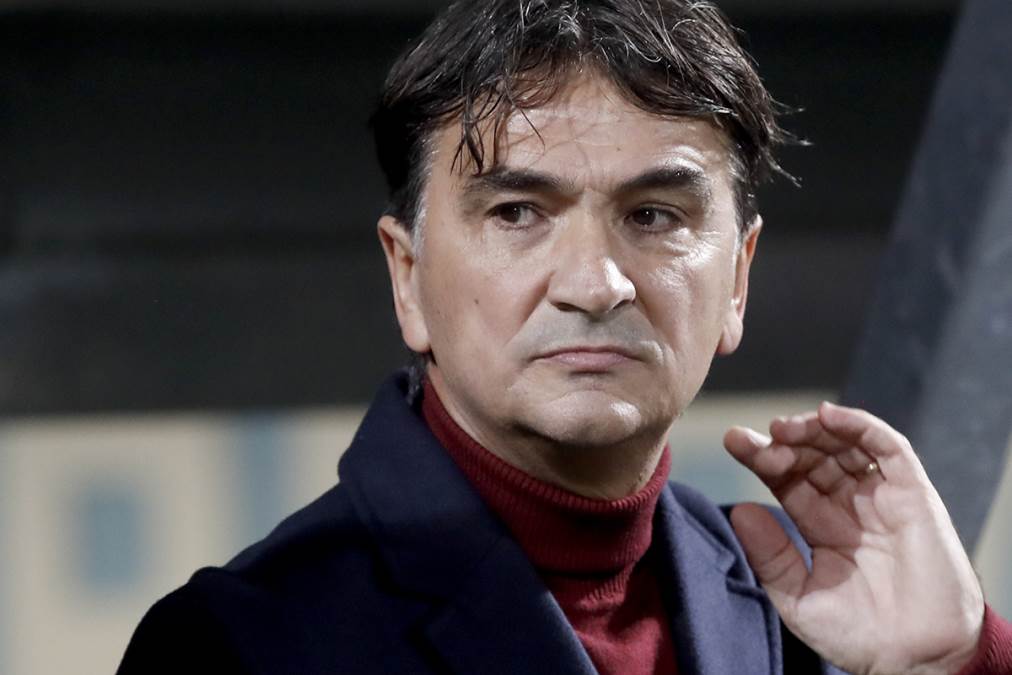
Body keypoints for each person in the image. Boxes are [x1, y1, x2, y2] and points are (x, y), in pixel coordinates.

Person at [118, 0, 1012, 673]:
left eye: (654, 214)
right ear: (408, 277)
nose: (595, 283)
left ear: (737, 279)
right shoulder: (241, 644)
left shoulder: (807, 612)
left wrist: (957, 660)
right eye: (517, 212)